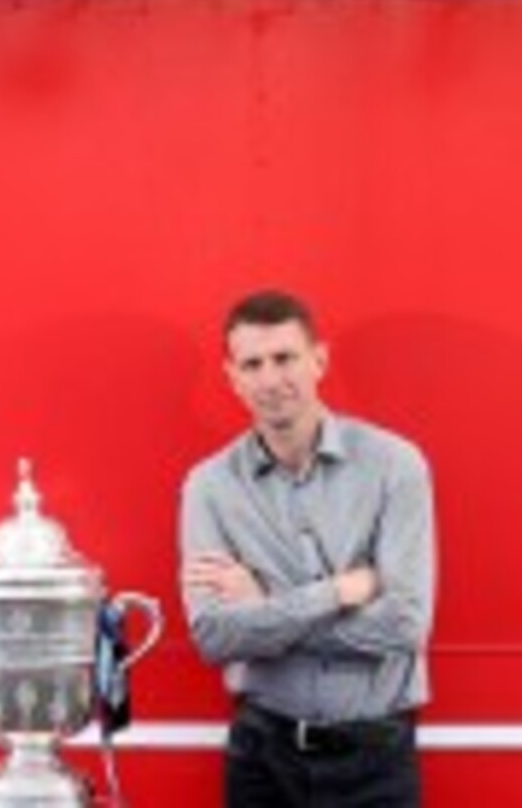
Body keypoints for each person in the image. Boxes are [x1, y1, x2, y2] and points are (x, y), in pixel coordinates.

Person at [179, 289, 437, 807]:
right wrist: (335, 593)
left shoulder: (395, 466)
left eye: (285, 358)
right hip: (262, 760)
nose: (270, 379)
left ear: (319, 360)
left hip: (376, 759)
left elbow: (404, 625)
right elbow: (214, 637)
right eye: (252, 365)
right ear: (232, 377)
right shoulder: (210, 486)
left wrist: (264, 611)